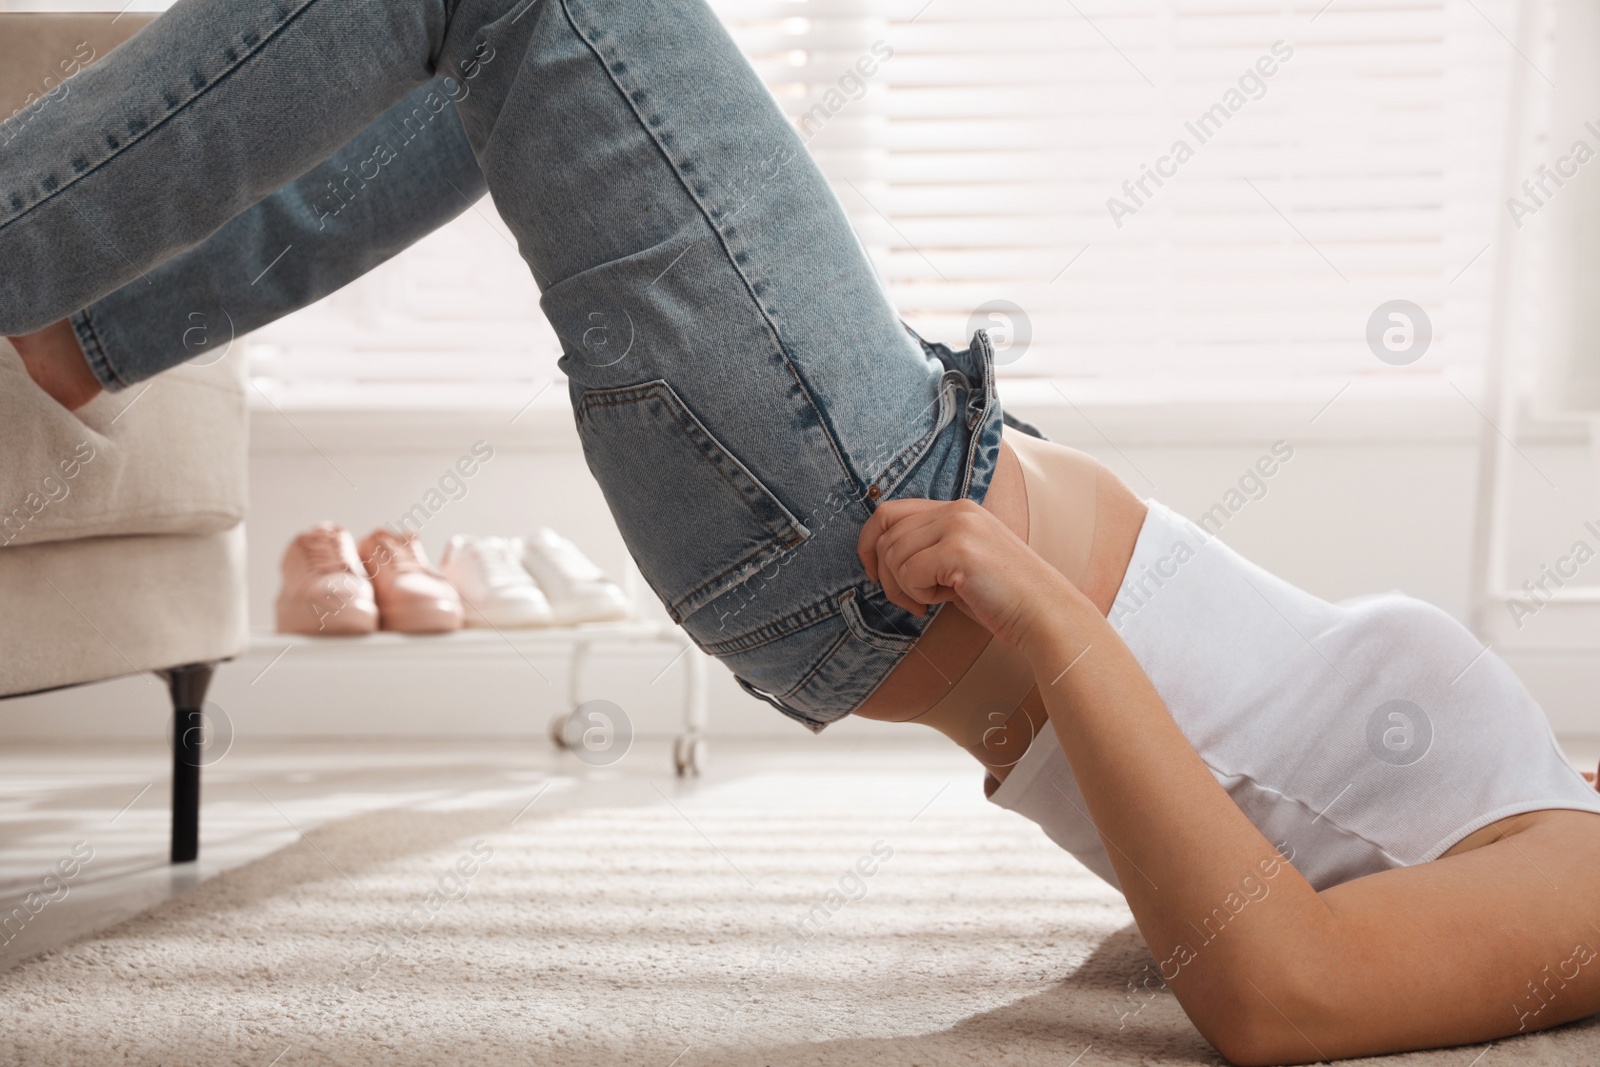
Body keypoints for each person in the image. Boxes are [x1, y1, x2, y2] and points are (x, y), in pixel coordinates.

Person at [3, 0, 1597, 1061]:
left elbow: (1279, 995)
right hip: (884, 485)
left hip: (856, 519)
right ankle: (80, 337)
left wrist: (1046, 615)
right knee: (490, 51)